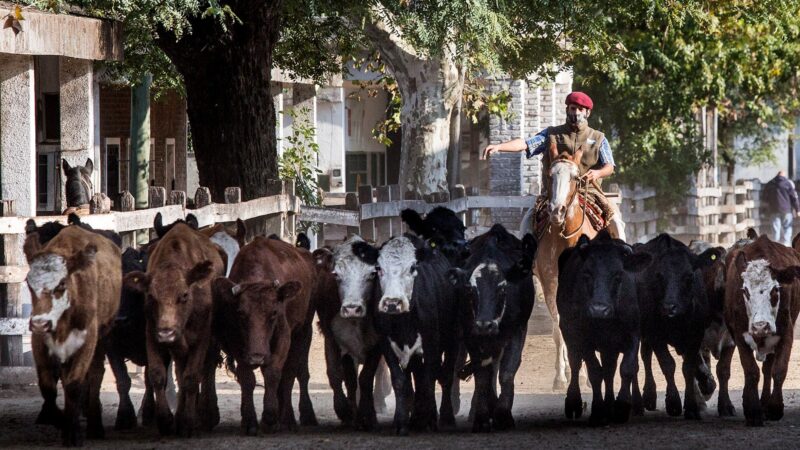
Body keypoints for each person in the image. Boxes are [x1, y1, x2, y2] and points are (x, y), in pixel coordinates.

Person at [482, 91, 626, 241]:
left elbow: (610, 166)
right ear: (567, 109)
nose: (576, 113)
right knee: (527, 222)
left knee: (615, 220)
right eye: (572, 108)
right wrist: (499, 147)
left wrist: (597, 174)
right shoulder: (551, 135)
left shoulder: (598, 138)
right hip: (553, 194)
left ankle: (624, 256)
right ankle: (526, 259)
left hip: (588, 192)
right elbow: (526, 143)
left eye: (580, 109)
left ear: (588, 113)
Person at [763, 170, 800, 246]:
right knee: (787, 229)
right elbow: (794, 197)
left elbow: (765, 198)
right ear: (784, 175)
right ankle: (786, 246)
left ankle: (776, 247)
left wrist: (765, 210)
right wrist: (797, 210)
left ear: (777, 175)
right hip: (786, 211)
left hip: (774, 210)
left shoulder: (770, 184)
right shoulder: (788, 183)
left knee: (776, 230)